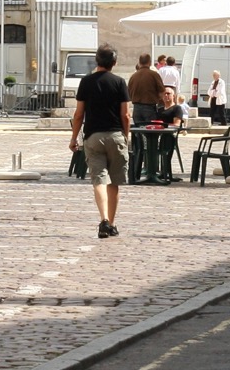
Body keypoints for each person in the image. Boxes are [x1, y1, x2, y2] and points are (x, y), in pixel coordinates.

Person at [68, 45, 129, 239]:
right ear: (114, 62)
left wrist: (74, 137)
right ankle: (112, 223)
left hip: (93, 136)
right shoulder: (119, 82)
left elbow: (79, 114)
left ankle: (103, 219)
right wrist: (126, 136)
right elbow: (125, 115)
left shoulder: (86, 82)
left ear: (97, 60)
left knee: (99, 180)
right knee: (115, 182)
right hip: (115, 134)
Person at [127, 55, 162, 128]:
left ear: (139, 63)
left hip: (136, 108)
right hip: (150, 107)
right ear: (149, 62)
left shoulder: (133, 76)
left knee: (138, 132)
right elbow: (161, 91)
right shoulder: (154, 75)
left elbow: (129, 93)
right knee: (150, 131)